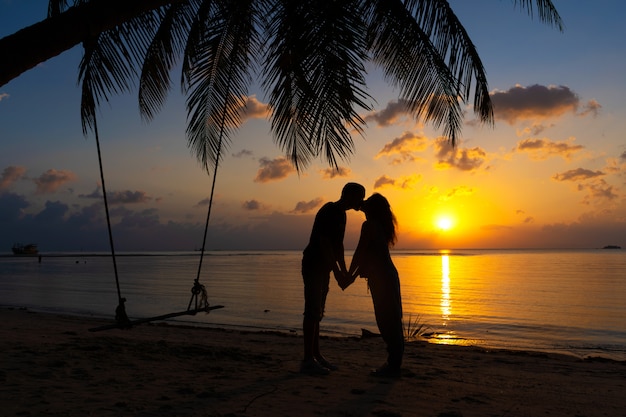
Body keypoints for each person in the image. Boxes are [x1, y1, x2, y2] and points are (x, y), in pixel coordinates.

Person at [300, 182, 366, 375]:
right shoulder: (330, 210)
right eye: (360, 196)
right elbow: (325, 244)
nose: (361, 201)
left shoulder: (342, 214)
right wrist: (338, 273)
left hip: (324, 267)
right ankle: (307, 359)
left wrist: (343, 270)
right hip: (313, 264)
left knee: (318, 311)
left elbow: (338, 247)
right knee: (312, 310)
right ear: (349, 195)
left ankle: (316, 355)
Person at [347, 193, 404, 377]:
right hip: (388, 275)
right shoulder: (381, 225)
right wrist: (359, 204)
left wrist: (348, 276)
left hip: (381, 278)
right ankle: (394, 363)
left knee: (386, 320)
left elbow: (360, 253)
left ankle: (392, 366)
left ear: (372, 210)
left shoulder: (369, 225)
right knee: (393, 320)